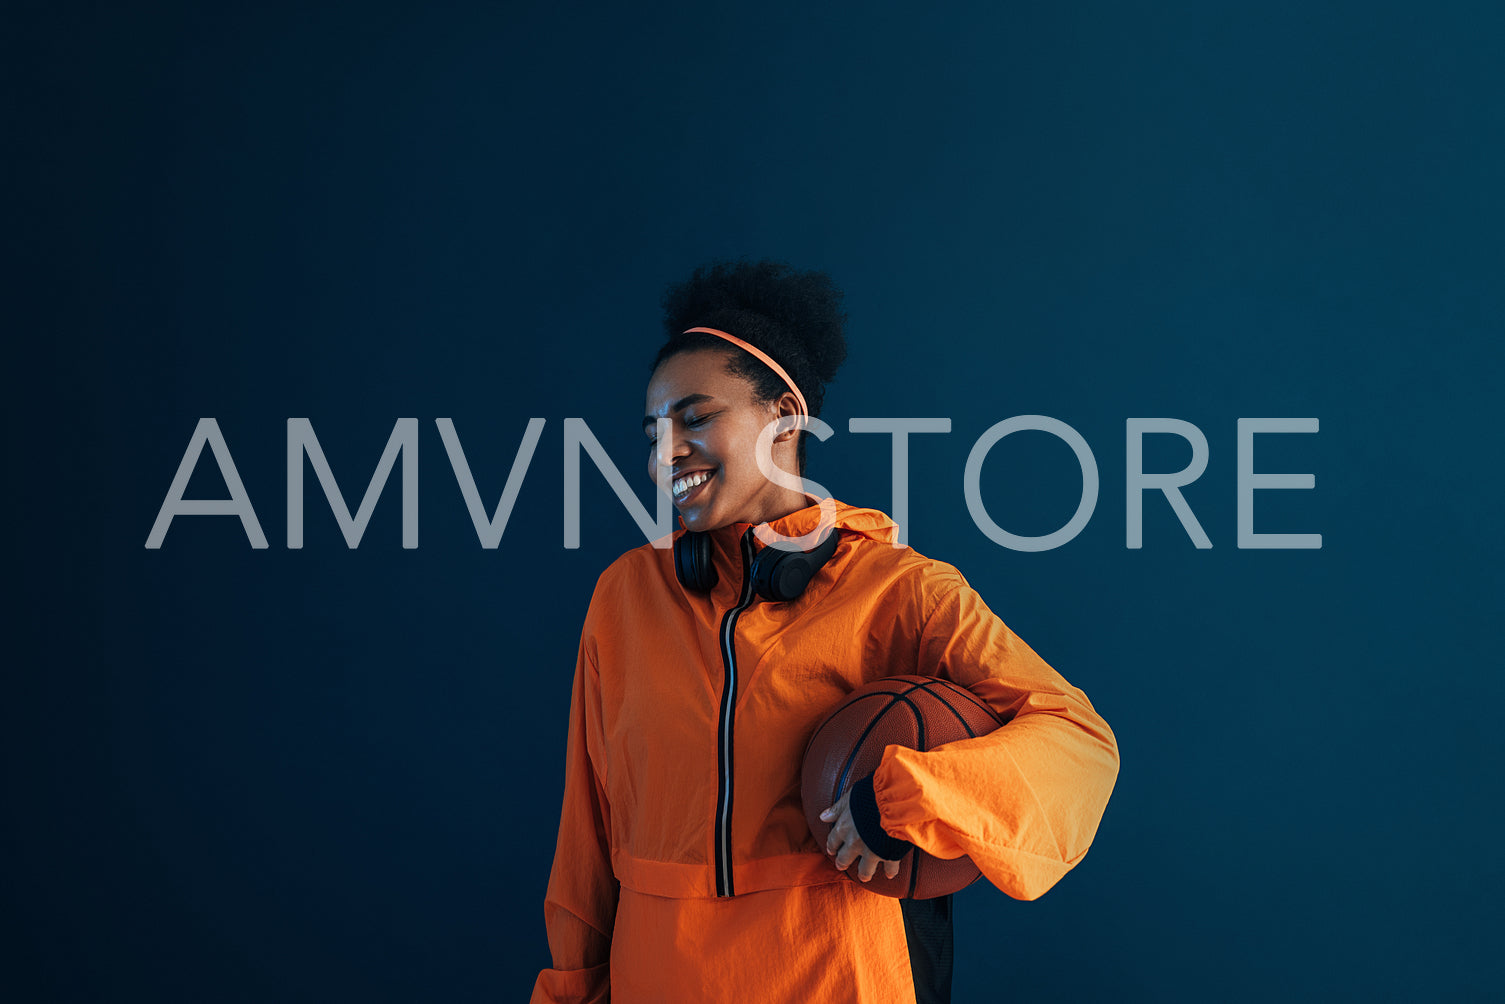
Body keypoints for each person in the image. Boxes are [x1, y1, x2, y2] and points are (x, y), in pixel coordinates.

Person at [530, 258, 1120, 1004]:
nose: (664, 453)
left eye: (697, 417)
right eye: (654, 431)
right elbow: (586, 839)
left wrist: (913, 795)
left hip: (839, 977)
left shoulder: (899, 590)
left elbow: (1077, 745)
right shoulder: (624, 597)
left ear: (782, 414)